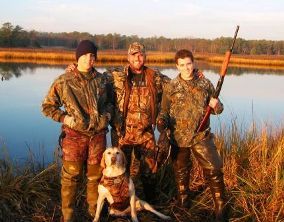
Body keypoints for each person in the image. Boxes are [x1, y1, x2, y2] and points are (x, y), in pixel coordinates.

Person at [41, 40, 113, 221]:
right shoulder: (64, 81)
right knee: (70, 177)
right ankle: (68, 216)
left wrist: (107, 117)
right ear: (78, 57)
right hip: (74, 137)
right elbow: (48, 106)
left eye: (92, 56)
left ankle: (94, 213)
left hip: (97, 137)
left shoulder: (102, 80)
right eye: (85, 55)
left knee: (95, 177)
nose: (89, 59)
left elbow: (111, 104)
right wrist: (65, 118)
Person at [157, 49, 227, 221]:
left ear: (193, 63)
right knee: (181, 172)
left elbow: (219, 109)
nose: (186, 68)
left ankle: (221, 206)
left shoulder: (205, 83)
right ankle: (184, 203)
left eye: (189, 64)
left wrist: (216, 105)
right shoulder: (171, 86)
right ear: (177, 66)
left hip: (200, 136)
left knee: (214, 169)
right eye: (182, 65)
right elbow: (164, 111)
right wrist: (161, 122)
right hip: (178, 138)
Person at [107, 42, 170, 202]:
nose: (137, 58)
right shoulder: (115, 75)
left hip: (146, 132)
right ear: (128, 57)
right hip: (122, 132)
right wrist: (74, 67)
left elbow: (176, 86)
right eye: (134, 55)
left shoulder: (155, 76)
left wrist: (194, 73)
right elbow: (93, 80)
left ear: (145, 57)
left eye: (141, 55)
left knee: (150, 170)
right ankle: (119, 205)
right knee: (120, 171)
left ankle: (150, 204)